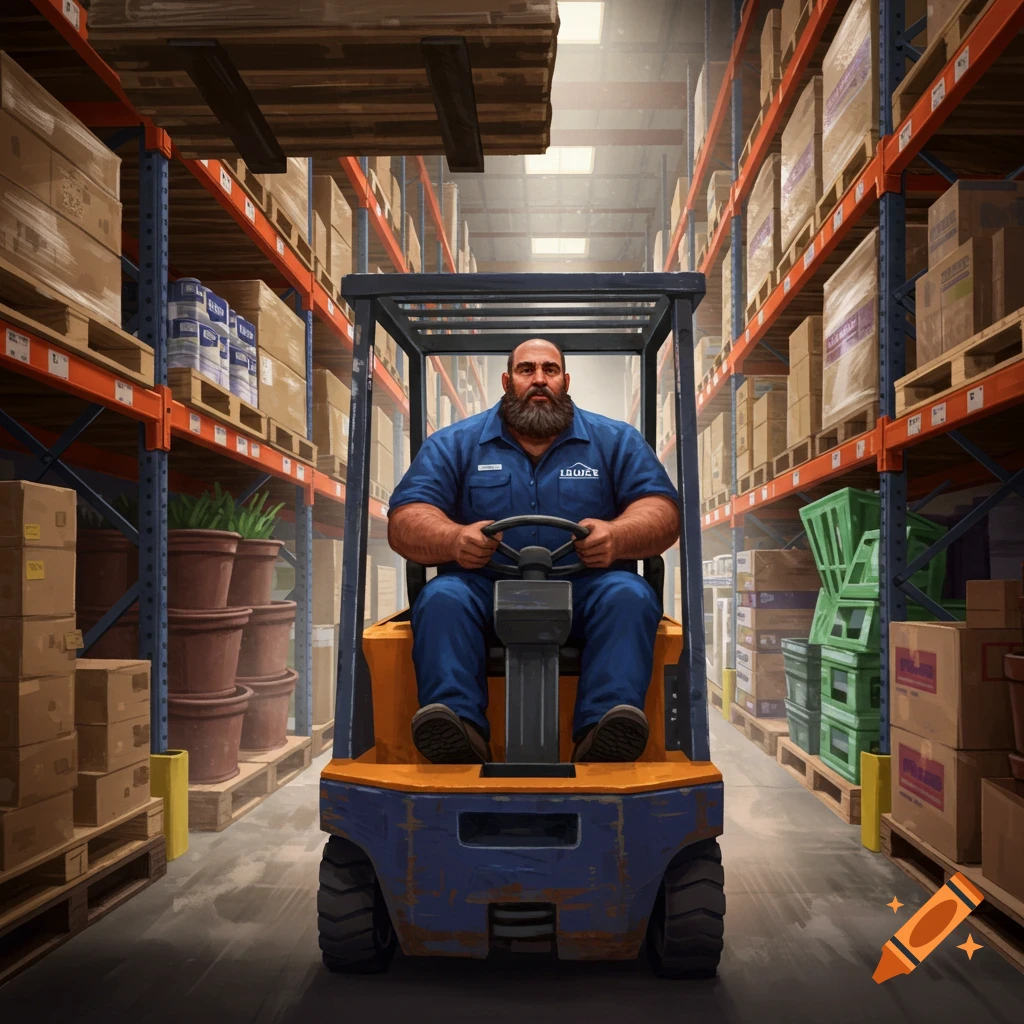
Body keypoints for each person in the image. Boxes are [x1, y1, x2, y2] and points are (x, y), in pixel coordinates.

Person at [386, 337, 680, 764]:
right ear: (507, 381)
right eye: (527, 370)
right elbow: (407, 517)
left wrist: (617, 535)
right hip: (484, 592)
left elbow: (661, 510)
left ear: (566, 381)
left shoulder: (617, 440)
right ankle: (457, 726)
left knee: (630, 594)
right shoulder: (454, 444)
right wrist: (454, 539)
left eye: (550, 370)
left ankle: (605, 729)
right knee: (442, 596)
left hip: (587, 590)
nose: (539, 379)